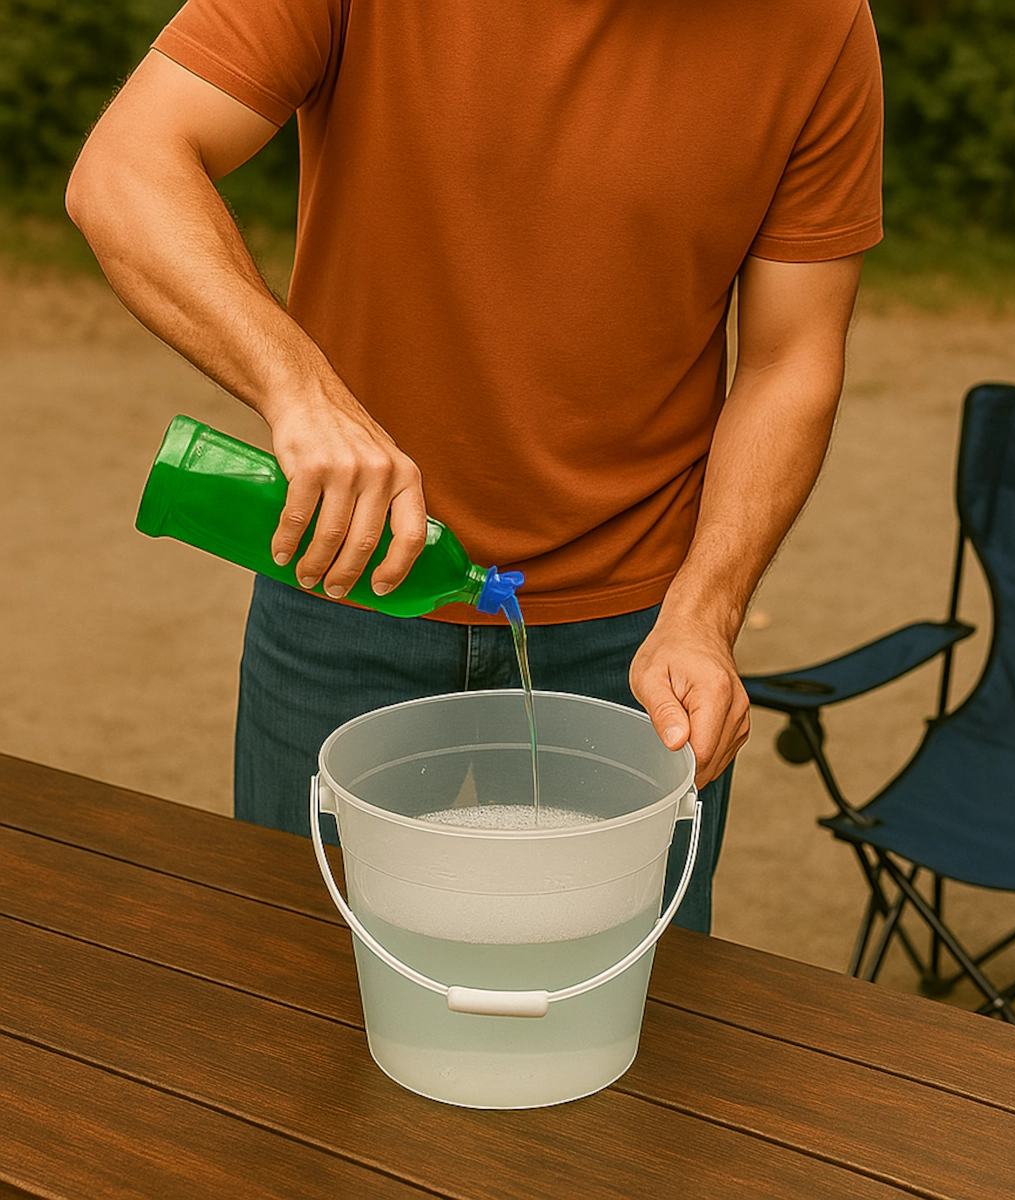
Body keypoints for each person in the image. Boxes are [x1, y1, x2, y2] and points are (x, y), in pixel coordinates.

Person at [66, 0, 883, 933]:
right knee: (293, 981)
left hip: (637, 636)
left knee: (626, 1015)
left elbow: (791, 359)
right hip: (345, 575)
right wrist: (302, 392)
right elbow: (126, 168)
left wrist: (706, 612)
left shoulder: (819, 26)